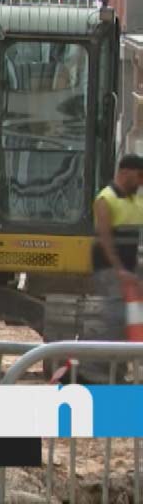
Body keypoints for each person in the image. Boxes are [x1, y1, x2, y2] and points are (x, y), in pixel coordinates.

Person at [86, 154, 143, 381]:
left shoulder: (135, 200)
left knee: (128, 320)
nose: (141, 182)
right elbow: (105, 239)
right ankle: (99, 373)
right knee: (115, 320)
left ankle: (118, 371)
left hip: (129, 270)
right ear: (125, 172)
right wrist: (120, 270)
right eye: (139, 177)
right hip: (110, 270)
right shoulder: (105, 199)